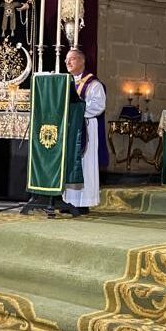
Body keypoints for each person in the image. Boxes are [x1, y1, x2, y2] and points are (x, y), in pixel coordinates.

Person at [62, 49, 107, 213]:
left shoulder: (94, 84)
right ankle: (70, 202)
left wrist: (77, 111)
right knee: (70, 163)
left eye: (72, 59)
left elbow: (99, 106)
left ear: (82, 61)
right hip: (70, 129)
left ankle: (83, 203)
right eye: (66, 59)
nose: (67, 62)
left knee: (84, 164)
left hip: (86, 128)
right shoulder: (67, 82)